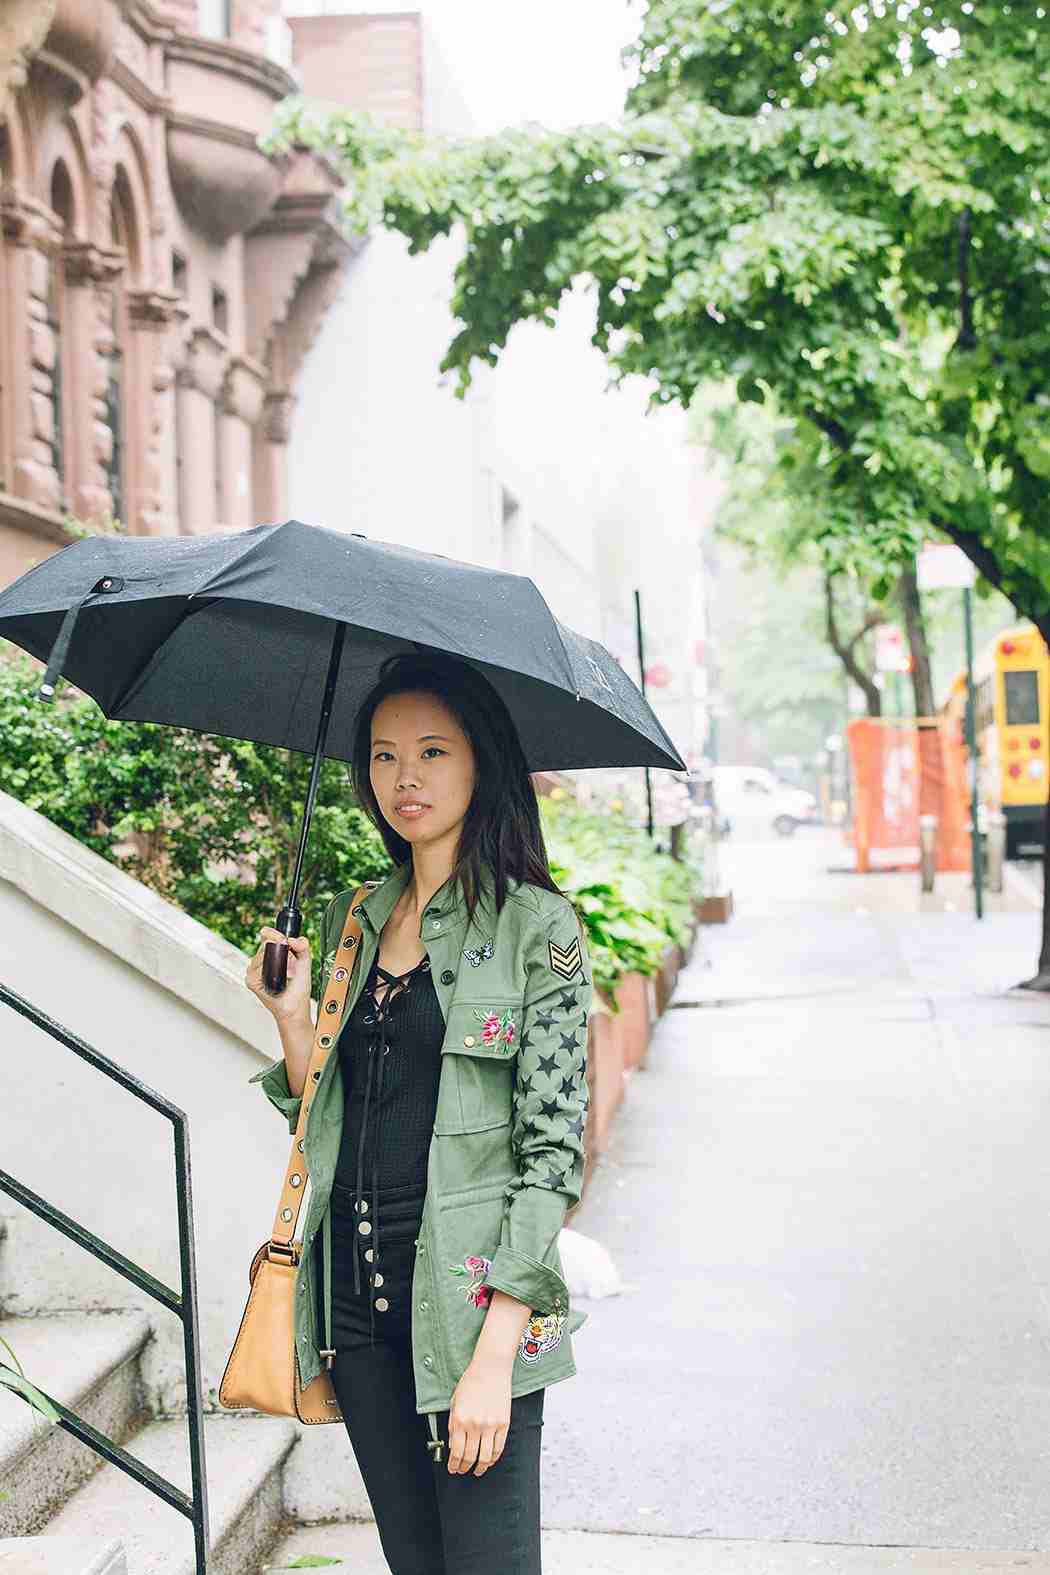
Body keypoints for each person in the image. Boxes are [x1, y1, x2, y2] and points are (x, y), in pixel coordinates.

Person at [245, 651, 591, 1574]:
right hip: (360, 1310)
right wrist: (292, 1019)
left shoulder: (537, 929)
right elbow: (331, 1112)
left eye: (433, 751)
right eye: (384, 754)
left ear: (481, 762)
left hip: (472, 1314)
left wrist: (493, 1360)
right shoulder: (356, 916)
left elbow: (552, 1155)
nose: (405, 777)